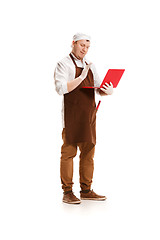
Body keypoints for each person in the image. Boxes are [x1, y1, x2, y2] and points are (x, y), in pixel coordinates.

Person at [54, 33, 113, 204]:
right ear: (73, 43)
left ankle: (86, 190)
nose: (84, 50)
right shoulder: (63, 64)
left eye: (87, 47)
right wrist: (80, 77)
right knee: (68, 153)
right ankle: (67, 192)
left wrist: (107, 90)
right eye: (82, 46)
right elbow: (60, 88)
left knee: (88, 154)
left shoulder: (90, 65)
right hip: (71, 117)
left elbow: (98, 88)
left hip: (89, 117)